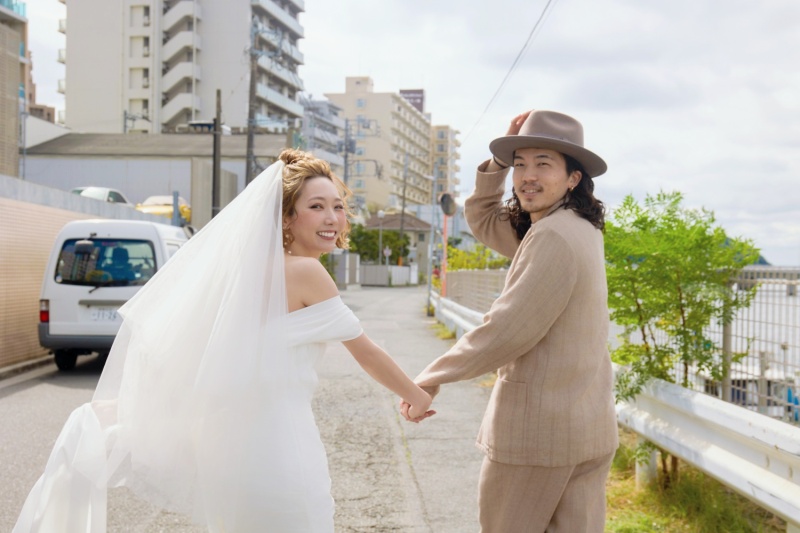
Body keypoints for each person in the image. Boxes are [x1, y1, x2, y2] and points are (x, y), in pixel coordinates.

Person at [14, 149, 434, 533]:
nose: (332, 218)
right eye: (316, 206)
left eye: (338, 207)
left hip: (230, 461)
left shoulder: (239, 276)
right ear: (286, 218)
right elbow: (366, 352)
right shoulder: (307, 273)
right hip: (283, 455)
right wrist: (417, 396)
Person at [403, 110, 619, 532]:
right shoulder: (577, 227)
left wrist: (430, 378)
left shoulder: (551, 235)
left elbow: (506, 330)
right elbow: (484, 218)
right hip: (586, 428)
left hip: (537, 437)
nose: (527, 176)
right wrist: (498, 163)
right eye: (520, 164)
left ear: (573, 178)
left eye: (544, 164)